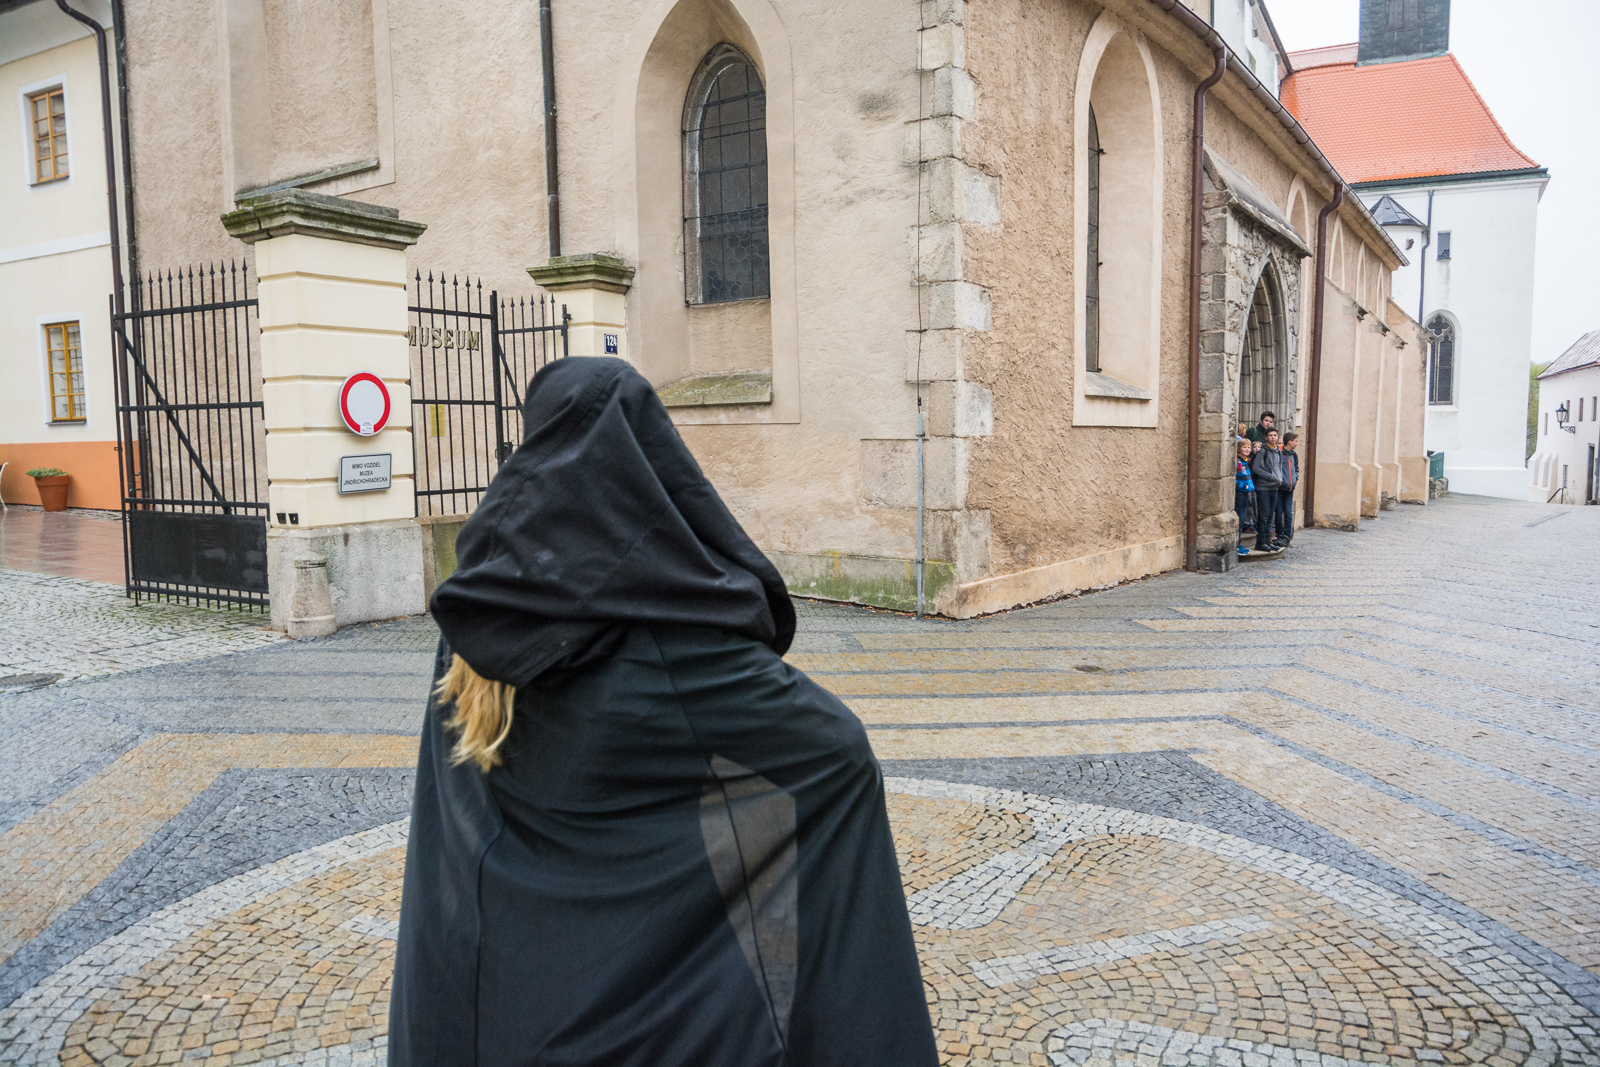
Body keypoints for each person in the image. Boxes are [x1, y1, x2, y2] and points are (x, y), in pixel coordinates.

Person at [390, 357, 939, 1067]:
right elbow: (840, 753)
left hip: (502, 998)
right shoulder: (667, 648)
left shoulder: (470, 619)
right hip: (623, 1017)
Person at [1250, 429, 1289, 550]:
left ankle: (1268, 540)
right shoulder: (1263, 451)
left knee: (1270, 516)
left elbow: (1279, 468)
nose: (1273, 437)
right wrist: (1272, 477)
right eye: (1270, 435)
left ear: (1278, 437)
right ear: (1266, 438)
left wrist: (1280, 479)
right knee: (1264, 515)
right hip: (1264, 487)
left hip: (1274, 487)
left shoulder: (1278, 451)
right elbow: (1256, 468)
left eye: (1275, 435)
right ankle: (1261, 542)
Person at [1278, 431, 1300, 546]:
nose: (1297, 443)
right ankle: (1279, 534)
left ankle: (1287, 535)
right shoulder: (1279, 453)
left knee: (1288, 512)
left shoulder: (1293, 455)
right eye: (1296, 441)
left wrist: (1296, 478)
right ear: (1290, 442)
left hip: (1290, 487)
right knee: (1278, 511)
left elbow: (1296, 468)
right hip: (1280, 487)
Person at [1235, 438, 1256, 556]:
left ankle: (1238, 543)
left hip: (1246, 493)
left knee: (1242, 519)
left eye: (1249, 447)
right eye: (1244, 447)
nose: (1247, 450)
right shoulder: (1238, 462)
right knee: (1239, 519)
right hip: (1240, 494)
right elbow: (1233, 479)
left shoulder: (1246, 461)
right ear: (1239, 449)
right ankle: (1236, 545)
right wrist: (1244, 486)